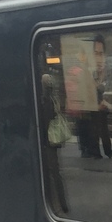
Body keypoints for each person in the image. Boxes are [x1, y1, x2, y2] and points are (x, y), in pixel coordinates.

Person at [39, 73, 69, 212]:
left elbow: (45, 121)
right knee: (55, 172)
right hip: (54, 140)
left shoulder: (45, 100)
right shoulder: (53, 97)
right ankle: (62, 203)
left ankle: (56, 204)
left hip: (48, 141)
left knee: (51, 172)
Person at [89, 34, 112, 159]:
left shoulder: (109, 72)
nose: (98, 58)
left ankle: (107, 150)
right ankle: (96, 152)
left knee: (104, 130)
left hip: (103, 108)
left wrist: (106, 103)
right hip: (93, 107)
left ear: (105, 55)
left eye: (100, 54)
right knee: (95, 130)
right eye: (95, 54)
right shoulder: (90, 72)